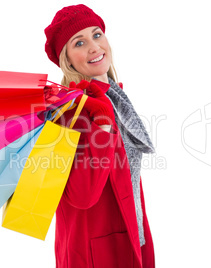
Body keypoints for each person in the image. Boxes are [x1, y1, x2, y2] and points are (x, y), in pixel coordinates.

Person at [44, 4, 156, 268]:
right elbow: (82, 195)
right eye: (79, 42)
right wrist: (102, 122)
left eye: (96, 35)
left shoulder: (113, 97)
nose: (94, 47)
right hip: (94, 252)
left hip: (129, 235)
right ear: (67, 59)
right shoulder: (69, 111)